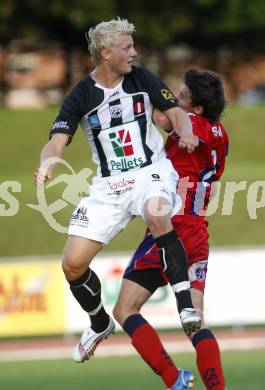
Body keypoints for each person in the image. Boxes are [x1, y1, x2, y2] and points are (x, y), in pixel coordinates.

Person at [33, 17, 200, 364]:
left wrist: (183, 131)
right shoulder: (81, 95)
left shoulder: (142, 78)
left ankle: (186, 306)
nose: (134, 53)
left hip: (150, 173)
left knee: (157, 212)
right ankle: (98, 321)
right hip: (108, 187)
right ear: (105, 53)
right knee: (72, 264)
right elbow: (56, 141)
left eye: (133, 46)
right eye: (127, 48)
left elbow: (176, 113)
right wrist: (49, 162)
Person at [113, 68, 229, 390]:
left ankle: (173, 378)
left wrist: (133, 82)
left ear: (197, 109)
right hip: (198, 234)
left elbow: (163, 117)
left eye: (181, 97)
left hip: (171, 230)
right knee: (195, 323)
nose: (174, 101)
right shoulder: (221, 133)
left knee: (125, 309)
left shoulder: (191, 126)